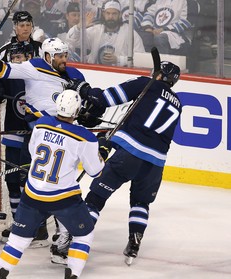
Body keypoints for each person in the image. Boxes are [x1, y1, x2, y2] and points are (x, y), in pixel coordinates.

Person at [68, 61, 182, 266]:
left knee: (96, 198)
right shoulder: (177, 104)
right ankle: (135, 242)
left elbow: (104, 99)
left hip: (129, 155)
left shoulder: (146, 84)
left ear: (157, 74)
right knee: (141, 202)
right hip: (155, 164)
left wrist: (83, 90)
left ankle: (76, 240)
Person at [0, 89, 105, 279]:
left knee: (18, 239)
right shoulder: (85, 137)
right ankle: (73, 275)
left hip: (32, 195)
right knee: (83, 234)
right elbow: (95, 171)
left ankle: (1, 275)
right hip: (63, 199)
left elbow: (32, 150)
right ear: (77, 111)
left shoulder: (41, 124)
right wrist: (102, 151)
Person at [0, 41, 33, 240]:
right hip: (13, 135)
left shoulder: (38, 75)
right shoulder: (9, 77)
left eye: (21, 57)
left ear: (30, 57)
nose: (17, 61)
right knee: (12, 180)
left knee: (28, 182)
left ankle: (34, 224)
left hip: (35, 139)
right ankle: (19, 222)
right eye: (14, 58)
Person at [66, 0, 145, 66]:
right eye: (108, 13)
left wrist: (119, 60)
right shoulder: (96, 30)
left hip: (120, 74)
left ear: (120, 15)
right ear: (104, 14)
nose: (111, 16)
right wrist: (79, 27)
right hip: (95, 72)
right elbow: (72, 41)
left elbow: (142, 60)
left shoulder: (130, 33)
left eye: (114, 13)